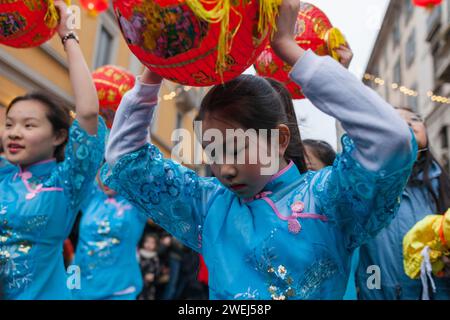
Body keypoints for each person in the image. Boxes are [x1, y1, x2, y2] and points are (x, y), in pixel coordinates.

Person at [102, 0, 416, 299]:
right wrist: (157, 62)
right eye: (212, 153)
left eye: (236, 149)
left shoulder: (328, 201)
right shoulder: (208, 204)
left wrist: (288, 48)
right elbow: (126, 160)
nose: (224, 169)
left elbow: (391, 138)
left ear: (280, 139)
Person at [0, 1, 106, 299]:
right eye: (9, 124)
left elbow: (87, 114)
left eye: (29, 125)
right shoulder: (3, 173)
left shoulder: (65, 182)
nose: (14, 133)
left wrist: (68, 36)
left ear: (59, 136)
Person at [356, 107, 450, 300]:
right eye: (397, 119)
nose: (408, 123)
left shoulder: (443, 184)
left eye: (414, 119)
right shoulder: (364, 184)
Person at [72, 172, 147, 300]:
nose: (106, 180)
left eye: (112, 172)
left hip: (118, 289)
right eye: (103, 173)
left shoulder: (137, 202)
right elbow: (81, 162)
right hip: (78, 284)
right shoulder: (92, 196)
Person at [138, 233, 161, 300]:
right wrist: (144, 274)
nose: (149, 245)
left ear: (156, 245)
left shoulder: (155, 258)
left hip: (148, 288)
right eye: (147, 241)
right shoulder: (138, 255)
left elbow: (157, 271)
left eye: (152, 243)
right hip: (137, 284)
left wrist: (154, 276)